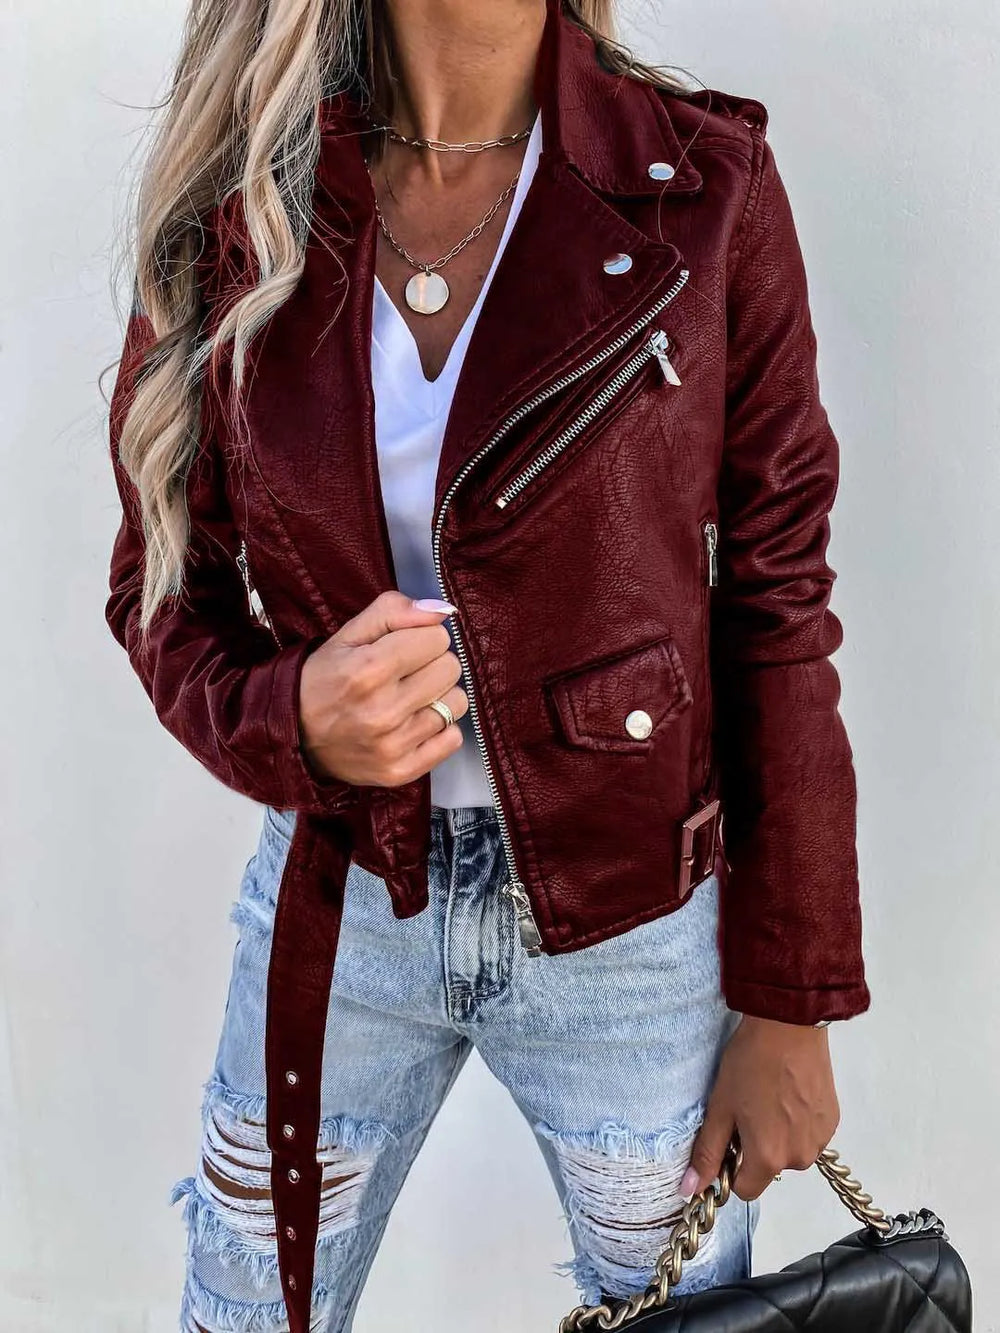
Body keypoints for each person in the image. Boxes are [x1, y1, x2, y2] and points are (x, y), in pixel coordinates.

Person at [103, 0, 871, 1329]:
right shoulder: (245, 206)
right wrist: (288, 717)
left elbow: (778, 602)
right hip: (342, 902)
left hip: (634, 930)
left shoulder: (703, 189)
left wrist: (791, 1002)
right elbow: (160, 582)